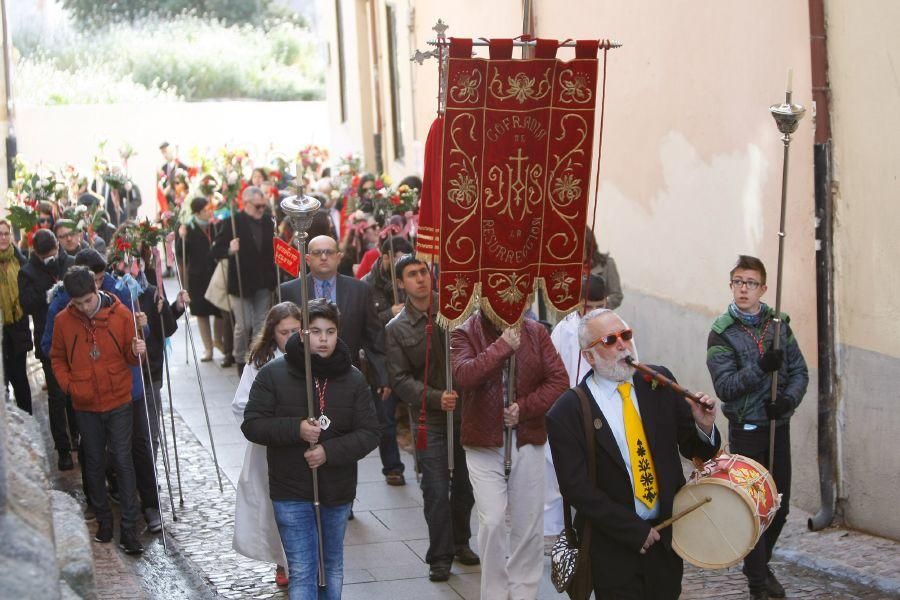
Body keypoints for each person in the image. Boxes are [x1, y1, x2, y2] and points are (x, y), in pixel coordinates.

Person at [547, 308, 720, 599]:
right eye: (610, 340)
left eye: (625, 335)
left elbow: (694, 449)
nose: (622, 345)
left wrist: (705, 426)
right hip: (613, 548)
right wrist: (632, 531)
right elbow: (576, 488)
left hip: (665, 541)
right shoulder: (568, 411)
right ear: (589, 356)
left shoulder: (659, 383)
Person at [242, 299, 380, 599]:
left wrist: (329, 452)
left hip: (336, 488)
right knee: (303, 569)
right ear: (303, 333)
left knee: (331, 565)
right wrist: (296, 429)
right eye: (315, 331)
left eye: (330, 332)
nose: (323, 339)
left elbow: (370, 432)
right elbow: (252, 424)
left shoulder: (353, 378)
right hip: (290, 488)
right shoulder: (273, 374)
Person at [706, 255, 808, 600]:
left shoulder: (778, 326)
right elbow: (727, 387)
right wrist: (762, 367)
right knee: (754, 508)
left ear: (763, 288)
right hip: (746, 429)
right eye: (737, 282)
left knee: (779, 505)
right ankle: (758, 582)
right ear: (731, 285)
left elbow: (799, 373)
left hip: (778, 424)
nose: (743, 289)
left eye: (750, 283)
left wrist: (788, 402)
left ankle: (759, 567)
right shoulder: (722, 332)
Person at [451, 309, 569, 600]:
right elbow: (464, 375)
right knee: (491, 521)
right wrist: (502, 347)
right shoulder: (464, 331)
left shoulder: (536, 332)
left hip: (527, 437)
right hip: (482, 441)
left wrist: (524, 408)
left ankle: (523, 592)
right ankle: (493, 592)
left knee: (528, 522)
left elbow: (558, 380)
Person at [385, 255, 478, 581]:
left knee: (466, 486)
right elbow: (399, 379)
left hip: (466, 413)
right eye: (412, 275)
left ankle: (461, 541)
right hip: (430, 420)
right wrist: (438, 398)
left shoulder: (456, 312)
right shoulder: (396, 330)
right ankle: (439, 556)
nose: (420, 279)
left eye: (423, 272)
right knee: (436, 489)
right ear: (401, 283)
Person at [279, 235, 397, 485]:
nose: (324, 257)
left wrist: (383, 375)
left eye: (329, 252)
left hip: (346, 377)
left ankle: (342, 496)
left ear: (339, 257)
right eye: (318, 253)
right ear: (307, 258)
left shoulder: (359, 289)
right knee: (312, 434)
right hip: (304, 377)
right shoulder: (289, 290)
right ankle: (312, 488)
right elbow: (281, 335)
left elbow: (374, 337)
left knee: (343, 436)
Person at [50, 266, 146, 554]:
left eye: (88, 301)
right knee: (93, 462)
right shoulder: (63, 321)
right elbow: (56, 357)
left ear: (96, 290)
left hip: (118, 399)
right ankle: (104, 521)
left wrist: (137, 349)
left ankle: (129, 529)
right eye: (78, 303)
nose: (85, 308)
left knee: (122, 460)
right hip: (85, 403)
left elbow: (130, 356)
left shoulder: (120, 315)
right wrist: (70, 386)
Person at [232, 302, 302, 588]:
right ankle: (283, 561)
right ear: (273, 334)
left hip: (304, 445)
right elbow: (241, 404)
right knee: (276, 506)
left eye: (295, 331)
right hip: (270, 447)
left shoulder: (314, 356)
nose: (290, 337)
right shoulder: (260, 362)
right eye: (283, 332)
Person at [543, 274, 608, 538]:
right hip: (571, 409)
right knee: (568, 475)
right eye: (587, 307)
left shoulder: (613, 327)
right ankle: (567, 531)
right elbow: (556, 372)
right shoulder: (565, 330)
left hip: (604, 411)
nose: (591, 313)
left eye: (597, 306)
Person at [17, 228, 76, 468]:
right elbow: (27, 304)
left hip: (75, 335)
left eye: (55, 252)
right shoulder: (28, 272)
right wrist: (48, 295)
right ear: (37, 254)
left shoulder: (70, 262)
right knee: (57, 395)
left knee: (76, 393)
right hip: (49, 339)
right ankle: (62, 448)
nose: (53, 258)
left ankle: (79, 438)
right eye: (48, 256)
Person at [210, 186, 277, 376]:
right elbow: (215, 250)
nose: (261, 209)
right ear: (246, 203)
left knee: (260, 324)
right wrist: (230, 250)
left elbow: (272, 248)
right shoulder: (234, 221)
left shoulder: (267, 220)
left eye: (264, 206)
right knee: (244, 324)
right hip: (241, 283)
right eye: (258, 206)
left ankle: (257, 359)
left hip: (263, 282)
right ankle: (239, 358)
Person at [176, 197, 222, 362]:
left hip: (215, 274)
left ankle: (218, 340)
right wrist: (181, 238)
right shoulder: (188, 228)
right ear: (197, 212)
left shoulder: (214, 225)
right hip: (197, 276)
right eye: (205, 210)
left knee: (219, 310)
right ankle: (208, 348)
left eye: (209, 208)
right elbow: (181, 254)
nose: (209, 212)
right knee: (201, 313)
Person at [1, 219, 33, 415]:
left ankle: (27, 421)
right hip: (0, 329)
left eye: (6, 233)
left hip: (17, 328)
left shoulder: (20, 261)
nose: (3, 238)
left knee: (19, 379)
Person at [584, 225, 623, 309]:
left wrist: (600, 306)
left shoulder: (607, 264)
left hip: (600, 317)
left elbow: (617, 295)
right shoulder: (570, 268)